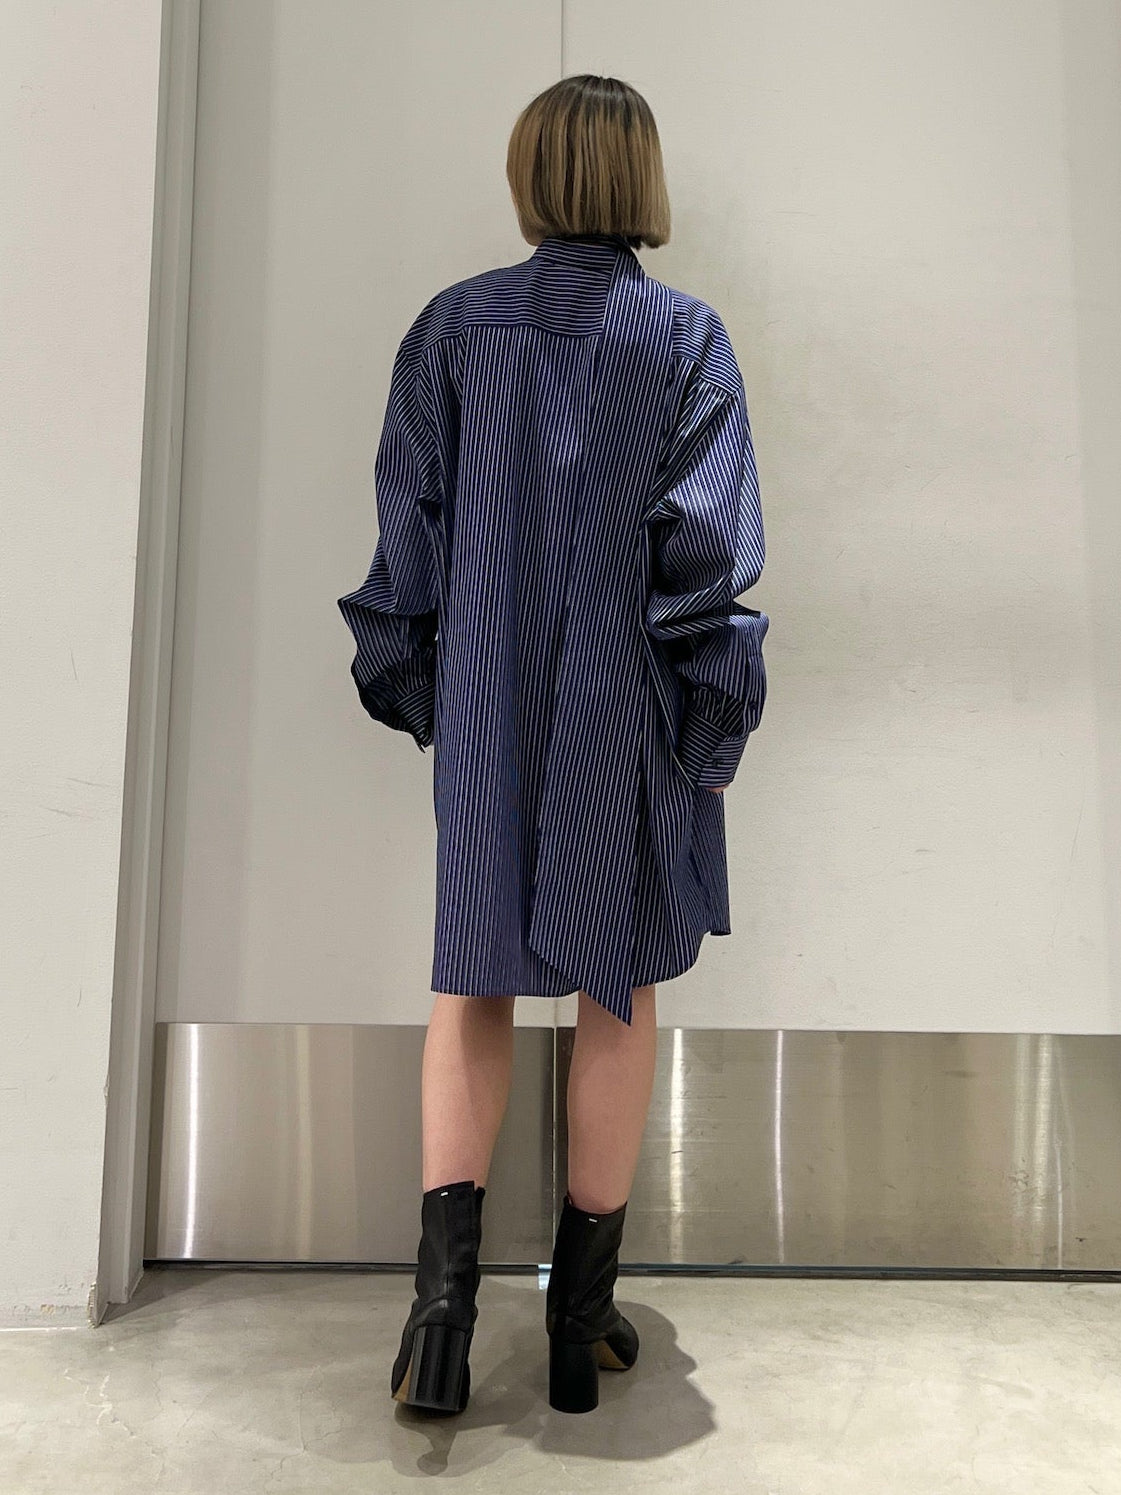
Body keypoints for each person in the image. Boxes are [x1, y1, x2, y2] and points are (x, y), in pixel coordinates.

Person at [337, 73, 768, 1416]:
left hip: (486, 697)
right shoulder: (683, 338)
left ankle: (441, 1320)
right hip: (620, 712)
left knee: (469, 982)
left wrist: (425, 685)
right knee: (617, 992)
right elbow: (706, 558)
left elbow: (409, 528)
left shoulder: (453, 326)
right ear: (643, 177)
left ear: (529, 173)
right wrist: (711, 721)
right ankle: (578, 1324)